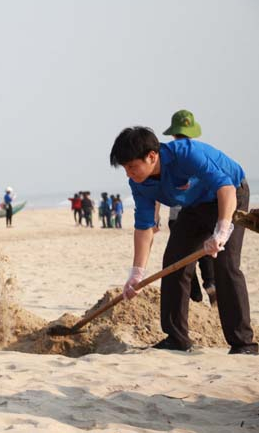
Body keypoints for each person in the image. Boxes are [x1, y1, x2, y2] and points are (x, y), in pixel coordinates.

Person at [110, 126, 256, 354]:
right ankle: (176, 338)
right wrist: (137, 272)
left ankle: (243, 343)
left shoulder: (186, 154)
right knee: (173, 263)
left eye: (131, 166)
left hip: (230, 195)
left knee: (225, 264)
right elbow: (144, 226)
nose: (129, 173)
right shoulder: (139, 183)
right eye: (125, 169)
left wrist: (221, 231)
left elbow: (225, 188)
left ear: (151, 156)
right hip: (194, 205)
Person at [163, 110, 216, 305]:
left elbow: (160, 188)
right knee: (205, 252)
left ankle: (194, 295)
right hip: (201, 210)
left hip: (177, 215)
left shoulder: (169, 157)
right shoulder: (199, 154)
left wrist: (154, 217)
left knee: (183, 256)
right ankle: (210, 284)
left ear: (173, 133)